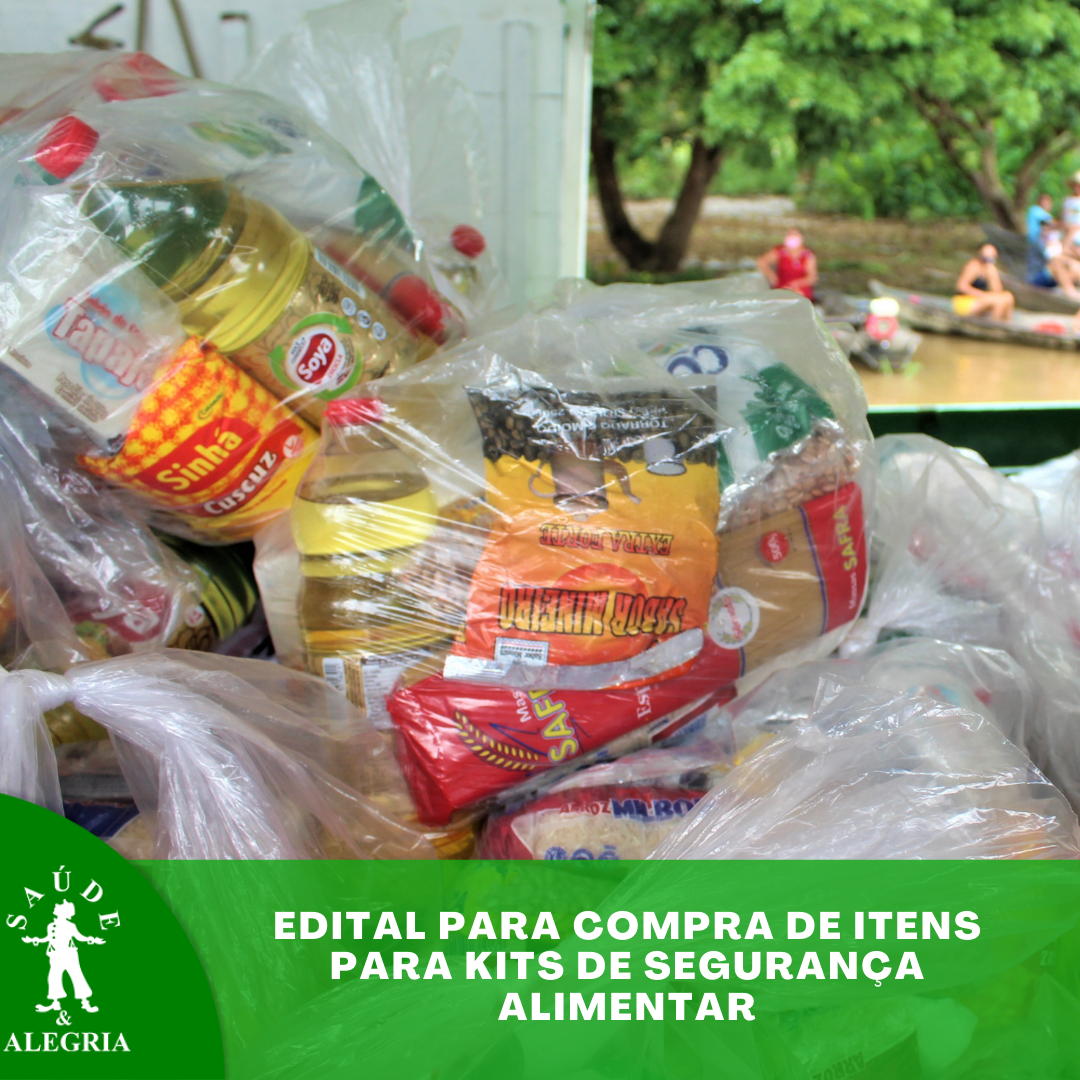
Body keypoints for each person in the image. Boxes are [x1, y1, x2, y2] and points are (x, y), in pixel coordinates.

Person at [22, 900, 105, 1014]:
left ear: (64, 912)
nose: (55, 907)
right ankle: (55, 1003)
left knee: (77, 975)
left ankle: (85, 1003)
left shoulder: (70, 925)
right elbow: (48, 938)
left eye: (58, 907)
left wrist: (92, 939)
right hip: (55, 955)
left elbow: (79, 937)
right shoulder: (51, 925)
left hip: (69, 954)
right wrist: (34, 940)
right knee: (53, 977)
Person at [1026, 193, 1080, 297]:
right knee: (1058, 263)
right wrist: (1070, 232)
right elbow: (1053, 259)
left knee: (1075, 267)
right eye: (1044, 226)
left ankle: (1069, 291)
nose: (1046, 228)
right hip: (1036, 279)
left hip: (1053, 279)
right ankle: (1071, 293)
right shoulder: (1038, 242)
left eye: (1048, 226)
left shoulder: (1055, 240)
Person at [953, 244, 1014, 321]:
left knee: (1008, 297)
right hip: (965, 301)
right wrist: (982, 295)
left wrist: (992, 273)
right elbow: (961, 286)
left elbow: (997, 291)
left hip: (980, 301)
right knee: (998, 301)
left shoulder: (990, 269)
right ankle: (994, 325)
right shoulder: (974, 266)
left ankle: (1005, 324)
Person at [758, 229, 818, 300]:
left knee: (799, 295)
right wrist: (772, 276)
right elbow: (762, 261)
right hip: (782, 284)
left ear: (801, 238)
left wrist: (796, 284)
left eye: (795, 235)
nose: (792, 237)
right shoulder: (780, 251)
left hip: (801, 286)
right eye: (789, 235)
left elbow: (812, 278)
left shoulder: (808, 255)